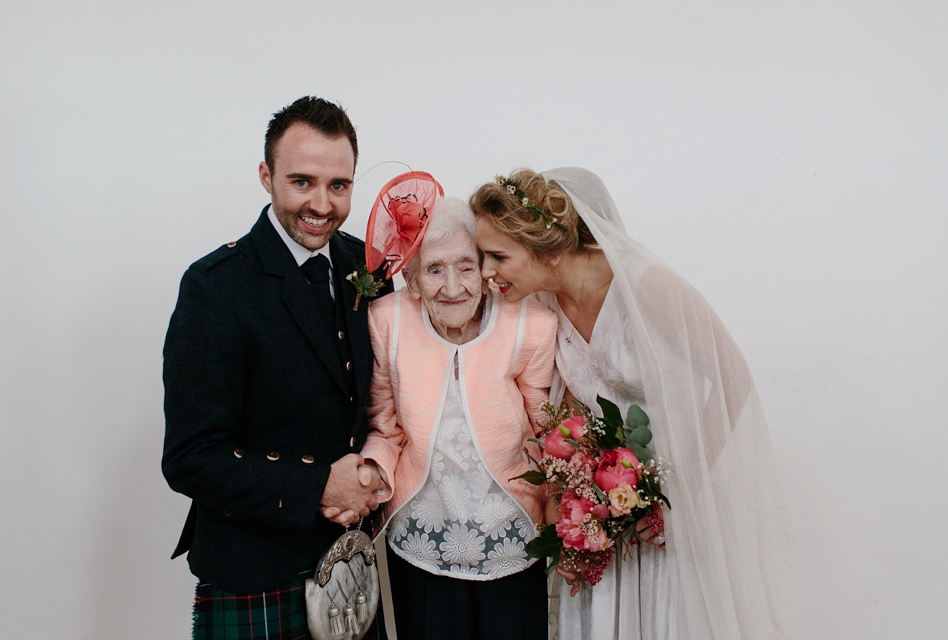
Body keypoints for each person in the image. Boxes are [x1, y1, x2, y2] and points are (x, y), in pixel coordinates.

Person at [470, 168, 796, 639]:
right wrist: (574, 519)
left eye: (498, 256)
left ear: (554, 251)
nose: (486, 272)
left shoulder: (646, 288)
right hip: (609, 521)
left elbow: (732, 379)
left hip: (675, 506)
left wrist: (675, 496)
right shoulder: (545, 305)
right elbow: (572, 417)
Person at [162, 96, 391, 640]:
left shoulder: (370, 268)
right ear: (266, 176)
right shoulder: (215, 287)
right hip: (254, 572)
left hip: (354, 564)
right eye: (302, 181)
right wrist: (319, 486)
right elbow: (190, 458)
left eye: (339, 185)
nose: (322, 204)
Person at [359, 193, 557, 639]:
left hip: (512, 527)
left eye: (466, 266)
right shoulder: (387, 321)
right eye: (434, 269)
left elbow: (546, 428)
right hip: (420, 532)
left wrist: (560, 502)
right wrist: (372, 469)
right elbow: (383, 425)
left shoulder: (531, 323)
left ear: (485, 270)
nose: (452, 287)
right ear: (411, 278)